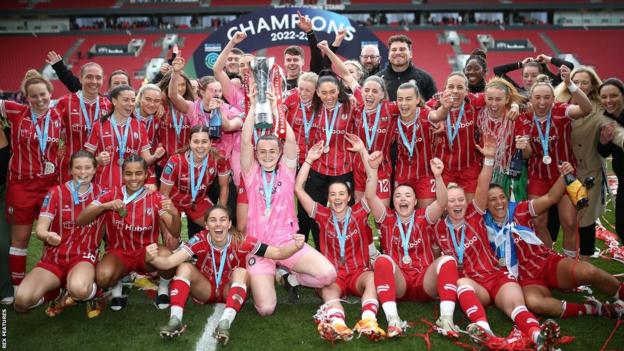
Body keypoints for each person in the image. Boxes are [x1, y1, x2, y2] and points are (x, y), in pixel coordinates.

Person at [430, 134, 561, 350]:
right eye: (452, 201)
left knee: (515, 306)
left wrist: (489, 159)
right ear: (445, 205)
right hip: (472, 283)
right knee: (462, 285)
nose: (457, 204)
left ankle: (538, 337)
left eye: (461, 199)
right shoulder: (438, 229)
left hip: (495, 275)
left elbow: (482, 186)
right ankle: (485, 332)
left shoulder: (474, 214)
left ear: (466, 202)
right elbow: (437, 260)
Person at [145, 205, 306, 343]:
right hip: (205, 289)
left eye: (223, 219)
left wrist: (295, 247)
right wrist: (151, 258)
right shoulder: (198, 239)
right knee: (184, 268)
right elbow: (168, 263)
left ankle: (225, 324)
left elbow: (277, 253)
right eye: (213, 220)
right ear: (206, 225)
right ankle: (175, 320)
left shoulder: (242, 240)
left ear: (229, 224)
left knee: (242, 272)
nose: (218, 224)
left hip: (229, 289)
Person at [239, 86, 336, 316]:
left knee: (327, 275)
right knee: (266, 309)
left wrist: (275, 108)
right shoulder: (250, 172)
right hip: (259, 246)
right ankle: (268, 273)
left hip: (287, 241)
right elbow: (244, 142)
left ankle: (291, 277)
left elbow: (291, 140)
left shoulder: (286, 170)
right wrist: (253, 108)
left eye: (272, 151)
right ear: (256, 153)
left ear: (280, 152)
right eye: (262, 152)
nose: (268, 156)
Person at [360, 136, 467, 338]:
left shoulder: (424, 216)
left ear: (416, 200)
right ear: (393, 200)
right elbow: (370, 196)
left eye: (408, 195)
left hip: (424, 280)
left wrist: (438, 176)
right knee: (382, 261)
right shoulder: (386, 217)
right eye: (398, 195)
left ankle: (446, 319)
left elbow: (443, 202)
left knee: (447, 261)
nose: (402, 199)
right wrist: (373, 170)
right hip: (399, 281)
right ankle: (393, 320)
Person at [484, 165, 624, 320]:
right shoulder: (482, 225)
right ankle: (595, 309)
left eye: (502, 197)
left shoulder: (520, 209)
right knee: (535, 303)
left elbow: (550, 197)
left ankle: (621, 293)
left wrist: (563, 176)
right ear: (485, 204)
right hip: (525, 279)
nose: (499, 202)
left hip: (545, 263)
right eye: (493, 199)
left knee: (588, 272)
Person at [295, 140, 384, 342]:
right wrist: (309, 160)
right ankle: (338, 324)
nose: (337, 198)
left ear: (349, 196)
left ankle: (369, 320)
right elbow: (299, 189)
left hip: (358, 273)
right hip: (334, 274)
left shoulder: (361, 211)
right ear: (328, 198)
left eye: (341, 194)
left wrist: (362, 152)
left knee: (373, 278)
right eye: (333, 194)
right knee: (327, 289)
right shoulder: (322, 214)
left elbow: (371, 180)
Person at [76, 155, 181, 311]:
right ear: (123, 174)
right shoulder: (111, 194)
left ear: (146, 174)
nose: (133, 178)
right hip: (119, 253)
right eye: (128, 174)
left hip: (146, 253)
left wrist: (174, 214)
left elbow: (175, 231)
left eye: (138, 173)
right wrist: (105, 206)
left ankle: (164, 288)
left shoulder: (155, 197)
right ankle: (117, 285)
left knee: (169, 258)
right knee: (102, 277)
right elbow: (81, 220)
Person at [14, 151, 105, 318]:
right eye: (78, 168)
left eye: (87, 168)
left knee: (79, 289)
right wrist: (47, 236)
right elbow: (41, 229)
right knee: (21, 301)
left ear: (95, 170)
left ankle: (94, 293)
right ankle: (57, 293)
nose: (83, 172)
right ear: (70, 170)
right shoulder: (56, 193)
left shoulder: (103, 194)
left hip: (82, 256)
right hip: (54, 257)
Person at [515, 67, 593, 253]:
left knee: (569, 222)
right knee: (538, 222)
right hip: (538, 176)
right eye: (537, 98)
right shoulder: (523, 119)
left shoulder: (561, 110)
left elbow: (587, 108)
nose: (542, 102)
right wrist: (523, 146)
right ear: (531, 98)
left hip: (565, 175)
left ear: (553, 98)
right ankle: (549, 262)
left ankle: (569, 267)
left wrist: (570, 84)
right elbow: (527, 155)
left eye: (546, 97)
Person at [2, 70, 62, 287]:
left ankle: (46, 284)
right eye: (34, 96)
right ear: (26, 98)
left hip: (50, 185)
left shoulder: (58, 116)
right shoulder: (16, 111)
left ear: (50, 93)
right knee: (21, 239)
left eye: (43, 94)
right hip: (21, 185)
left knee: (52, 237)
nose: (39, 99)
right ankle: (18, 288)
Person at [556, 67, 624, 259]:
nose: (579, 86)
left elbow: (616, 131)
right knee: (562, 218)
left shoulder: (598, 109)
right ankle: (558, 260)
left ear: (593, 85)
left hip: (588, 171)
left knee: (585, 220)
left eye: (584, 82)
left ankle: (584, 262)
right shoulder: (558, 103)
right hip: (561, 172)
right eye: (575, 82)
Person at [301, 41, 361, 250]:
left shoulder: (351, 106)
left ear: (339, 90)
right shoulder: (311, 110)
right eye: (323, 92)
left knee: (345, 212)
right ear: (317, 92)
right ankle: (320, 251)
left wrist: (328, 51)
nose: (328, 97)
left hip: (344, 169)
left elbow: (347, 75)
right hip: (318, 169)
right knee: (312, 212)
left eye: (332, 92)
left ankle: (349, 248)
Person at [429, 72, 519, 203]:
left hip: (469, 168)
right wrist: (439, 116)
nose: (455, 91)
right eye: (451, 87)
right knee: (445, 209)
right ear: (445, 89)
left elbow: (502, 94)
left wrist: (515, 105)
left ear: (466, 91)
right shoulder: (435, 103)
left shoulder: (474, 101)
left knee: (471, 208)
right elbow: (423, 109)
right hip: (444, 169)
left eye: (460, 87)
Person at [84, 85, 165, 189]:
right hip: (104, 186)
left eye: (132, 100)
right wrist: (97, 160)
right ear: (114, 101)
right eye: (126, 100)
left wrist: (155, 157)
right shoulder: (98, 125)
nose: (130, 104)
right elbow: (86, 159)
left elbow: (146, 160)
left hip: (131, 188)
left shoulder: (140, 126)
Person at [160, 125, 231, 243]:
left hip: (198, 201)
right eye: (196, 141)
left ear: (210, 143)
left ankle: (205, 251)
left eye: (204, 141)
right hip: (173, 202)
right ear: (189, 142)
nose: (200, 146)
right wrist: (170, 213)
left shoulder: (219, 159)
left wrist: (221, 212)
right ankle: (176, 242)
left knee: (220, 228)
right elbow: (164, 194)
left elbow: (224, 186)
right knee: (171, 243)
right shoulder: (175, 161)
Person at [55, 62, 111, 182]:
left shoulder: (108, 105)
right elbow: (55, 132)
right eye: (89, 77)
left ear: (103, 79)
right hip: (71, 168)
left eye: (98, 77)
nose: (94, 81)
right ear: (80, 78)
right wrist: (60, 146)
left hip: (100, 169)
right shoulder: (65, 103)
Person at [477, 78, 526, 201]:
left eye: (498, 99)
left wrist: (524, 146)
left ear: (507, 99)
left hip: (509, 174)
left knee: (511, 212)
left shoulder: (515, 117)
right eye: (490, 99)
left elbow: (527, 154)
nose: (493, 104)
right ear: (485, 98)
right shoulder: (478, 113)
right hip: (483, 171)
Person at [352, 76, 398, 206]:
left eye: (375, 91)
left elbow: (413, 105)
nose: (369, 94)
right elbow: (347, 76)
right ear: (361, 92)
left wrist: (438, 110)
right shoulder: (359, 105)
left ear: (382, 94)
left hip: (382, 168)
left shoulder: (390, 108)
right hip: (359, 168)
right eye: (366, 90)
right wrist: (328, 54)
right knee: (359, 214)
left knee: (382, 216)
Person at [392, 82, 439, 208]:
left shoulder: (425, 115)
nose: (404, 103)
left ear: (417, 100)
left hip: (426, 176)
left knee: (426, 218)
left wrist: (445, 107)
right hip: (402, 176)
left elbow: (438, 116)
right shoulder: (393, 118)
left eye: (408, 99)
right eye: (400, 99)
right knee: (403, 217)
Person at [597, 78, 624, 243]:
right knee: (621, 226)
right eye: (604, 97)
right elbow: (604, 152)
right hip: (622, 176)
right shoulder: (604, 117)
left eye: (613, 96)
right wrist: (603, 141)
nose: (608, 100)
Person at [377, 34, 437, 101]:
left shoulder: (425, 78)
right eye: (394, 50)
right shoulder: (378, 79)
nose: (397, 52)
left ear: (411, 54)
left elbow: (433, 106)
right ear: (388, 55)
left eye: (402, 49)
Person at [46, 51, 129, 93]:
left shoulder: (135, 105)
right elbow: (75, 85)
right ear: (109, 87)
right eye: (116, 83)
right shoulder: (104, 101)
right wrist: (60, 68)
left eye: (124, 83)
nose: (120, 86)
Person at [493, 54, 574, 97]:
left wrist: (549, 59)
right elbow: (497, 70)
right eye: (526, 75)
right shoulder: (516, 91)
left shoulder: (552, 88)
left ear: (541, 76)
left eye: (534, 75)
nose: (529, 79)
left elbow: (569, 66)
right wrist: (520, 64)